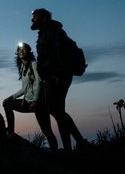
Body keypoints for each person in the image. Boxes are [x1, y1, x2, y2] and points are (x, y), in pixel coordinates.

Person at [31, 8, 89, 152]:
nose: (33, 19)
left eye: (36, 16)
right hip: (52, 76)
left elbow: (60, 55)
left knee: (56, 110)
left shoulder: (54, 32)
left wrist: (57, 75)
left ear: (44, 18)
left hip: (58, 76)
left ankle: (80, 143)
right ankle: (69, 148)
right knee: (57, 111)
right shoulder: (45, 33)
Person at [2, 43, 58, 150]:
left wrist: (35, 101)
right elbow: (24, 89)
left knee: (47, 131)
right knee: (7, 104)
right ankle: (10, 132)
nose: (21, 51)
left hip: (39, 104)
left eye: (24, 49)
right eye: (19, 50)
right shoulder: (23, 67)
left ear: (29, 52)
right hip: (27, 102)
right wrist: (11, 97)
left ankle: (56, 153)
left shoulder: (34, 64)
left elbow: (39, 83)